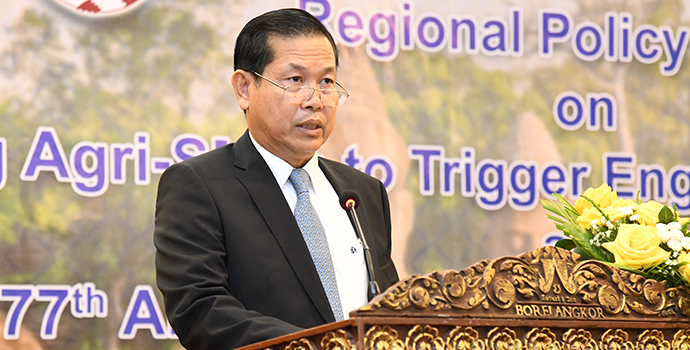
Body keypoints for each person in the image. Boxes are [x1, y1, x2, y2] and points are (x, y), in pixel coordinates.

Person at [153, 8, 399, 350]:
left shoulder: (362, 193)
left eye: (326, 81)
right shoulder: (199, 185)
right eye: (295, 80)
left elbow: (387, 308)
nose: (315, 100)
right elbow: (201, 311)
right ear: (244, 88)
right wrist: (325, 346)